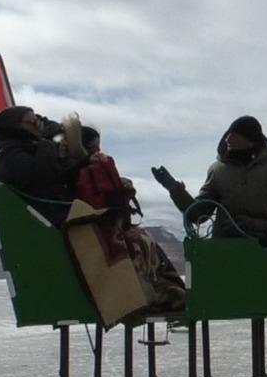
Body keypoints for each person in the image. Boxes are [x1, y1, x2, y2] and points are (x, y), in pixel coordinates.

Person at [152, 115, 267, 267]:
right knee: (202, 263)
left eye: (235, 135)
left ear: (251, 140)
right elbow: (199, 213)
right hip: (227, 241)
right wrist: (175, 189)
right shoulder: (217, 170)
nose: (228, 139)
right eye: (228, 134)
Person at [74, 125, 186, 312]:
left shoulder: (90, 167)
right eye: (94, 147)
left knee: (145, 241)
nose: (98, 152)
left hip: (105, 222)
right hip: (94, 225)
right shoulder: (81, 169)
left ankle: (165, 291)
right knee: (133, 245)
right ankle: (145, 296)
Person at [0, 106, 87, 225]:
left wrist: (84, 161)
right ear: (14, 125)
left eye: (37, 121)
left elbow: (57, 174)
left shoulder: (24, 145)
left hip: (46, 209)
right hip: (37, 214)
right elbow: (41, 175)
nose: (38, 125)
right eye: (32, 122)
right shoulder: (5, 151)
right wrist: (46, 143)